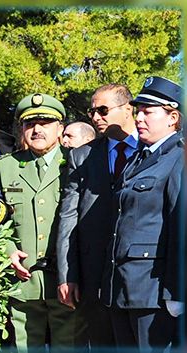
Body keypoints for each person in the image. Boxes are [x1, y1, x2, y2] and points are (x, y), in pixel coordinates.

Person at [0, 93, 81, 351]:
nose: (37, 129)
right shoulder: (6, 167)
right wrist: (9, 252)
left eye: (45, 123)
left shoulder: (78, 163)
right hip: (23, 279)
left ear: (60, 128)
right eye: (29, 123)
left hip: (67, 280)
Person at [101, 76, 183, 352]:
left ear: (173, 117)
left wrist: (177, 293)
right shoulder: (139, 157)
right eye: (138, 111)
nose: (139, 118)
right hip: (122, 288)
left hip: (154, 292)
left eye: (148, 112)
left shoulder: (177, 159)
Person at [57, 83, 138, 350]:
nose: (95, 118)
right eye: (92, 111)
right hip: (95, 275)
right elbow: (68, 217)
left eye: (103, 110)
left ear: (127, 109)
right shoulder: (82, 156)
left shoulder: (152, 150)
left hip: (141, 276)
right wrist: (67, 274)